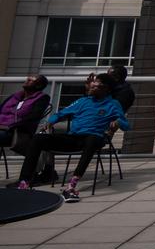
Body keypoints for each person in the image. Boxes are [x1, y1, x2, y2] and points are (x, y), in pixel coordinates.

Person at [16, 75, 129, 203]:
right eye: (92, 83)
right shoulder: (82, 101)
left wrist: (118, 122)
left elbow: (126, 125)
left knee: (92, 139)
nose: (91, 85)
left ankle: (72, 185)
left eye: (96, 84)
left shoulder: (113, 104)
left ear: (106, 89)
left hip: (95, 138)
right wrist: (51, 121)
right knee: (38, 138)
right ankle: (24, 183)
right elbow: (60, 114)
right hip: (73, 138)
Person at [0, 75, 50, 159]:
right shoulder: (14, 96)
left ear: (39, 85)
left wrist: (11, 126)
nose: (27, 80)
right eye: (28, 78)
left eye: (31, 80)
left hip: (15, 132)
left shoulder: (42, 98)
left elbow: (34, 117)